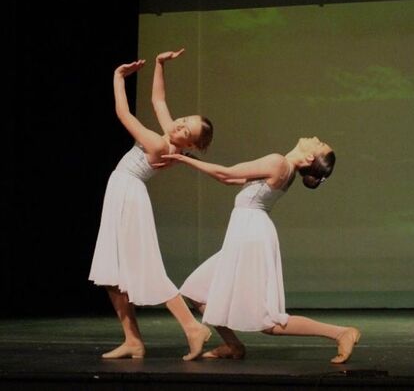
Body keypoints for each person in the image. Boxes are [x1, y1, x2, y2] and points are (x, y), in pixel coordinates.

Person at [161, 137, 361, 364]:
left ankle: (340, 333)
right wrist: (188, 158)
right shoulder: (284, 167)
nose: (315, 138)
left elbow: (226, 173)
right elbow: (232, 179)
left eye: (319, 144)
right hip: (246, 234)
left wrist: (184, 160)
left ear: (309, 157)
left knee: (268, 321)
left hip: (251, 237)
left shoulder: (278, 163)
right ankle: (233, 345)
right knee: (197, 289)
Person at [88, 49, 213, 361]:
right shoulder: (170, 138)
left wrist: (118, 77)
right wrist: (159, 64)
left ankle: (192, 327)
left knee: (145, 270)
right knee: (112, 272)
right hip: (123, 192)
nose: (178, 125)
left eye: (185, 130)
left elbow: (124, 114)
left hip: (128, 196)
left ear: (189, 144)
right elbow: (158, 100)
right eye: (183, 120)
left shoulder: (159, 144)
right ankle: (132, 340)